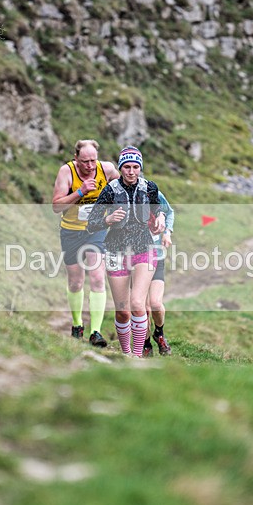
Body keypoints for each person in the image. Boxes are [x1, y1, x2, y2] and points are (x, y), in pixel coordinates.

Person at [86, 146, 166, 357]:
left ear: (140, 168)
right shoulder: (110, 190)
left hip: (144, 249)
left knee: (138, 303)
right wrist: (107, 220)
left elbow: (159, 211)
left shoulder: (150, 187)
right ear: (121, 168)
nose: (131, 171)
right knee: (122, 310)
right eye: (127, 167)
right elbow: (91, 223)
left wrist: (160, 220)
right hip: (116, 251)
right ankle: (125, 353)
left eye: (135, 167)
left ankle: (137, 355)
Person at [51, 139, 119, 347]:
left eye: (93, 160)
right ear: (76, 159)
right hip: (71, 232)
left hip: (97, 230)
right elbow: (56, 206)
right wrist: (80, 192)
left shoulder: (106, 169)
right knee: (75, 282)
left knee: (98, 278)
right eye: (85, 161)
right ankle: (77, 324)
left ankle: (95, 332)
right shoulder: (67, 172)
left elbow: (124, 185)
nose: (90, 166)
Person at [143, 191, 174, 357]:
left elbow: (169, 211)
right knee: (144, 307)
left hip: (155, 254)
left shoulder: (152, 191)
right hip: (132, 256)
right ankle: (145, 343)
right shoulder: (120, 194)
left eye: (135, 168)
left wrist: (167, 232)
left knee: (155, 303)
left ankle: (159, 333)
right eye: (127, 168)